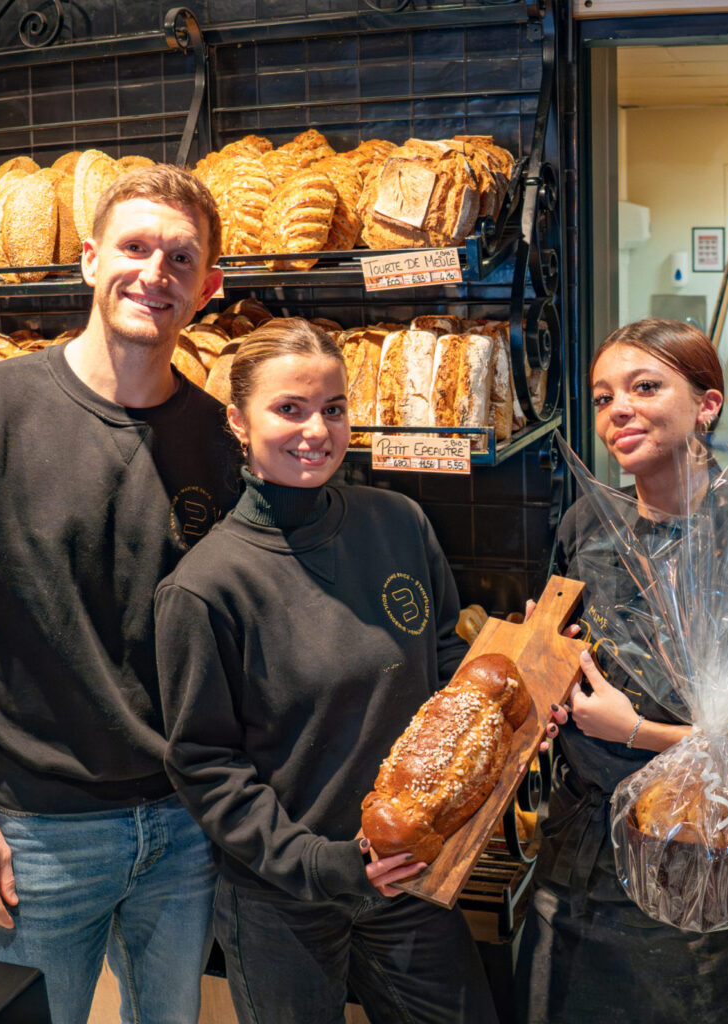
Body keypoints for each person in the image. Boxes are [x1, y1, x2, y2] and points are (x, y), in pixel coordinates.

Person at [0, 165, 239, 1024]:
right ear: (88, 260)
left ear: (209, 288)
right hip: (37, 833)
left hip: (183, 826)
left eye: (181, 258)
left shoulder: (217, 439)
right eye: (136, 247)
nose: (155, 273)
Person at [155, 318, 512, 1024]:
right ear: (237, 420)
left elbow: (443, 664)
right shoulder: (207, 587)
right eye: (289, 409)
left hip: (410, 882)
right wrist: (322, 864)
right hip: (283, 900)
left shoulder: (398, 523)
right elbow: (204, 765)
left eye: (334, 408)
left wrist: (507, 717)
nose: (316, 431)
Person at [516, 317, 728, 1024]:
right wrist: (545, 680)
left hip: (697, 849)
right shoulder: (588, 521)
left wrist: (634, 730)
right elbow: (569, 650)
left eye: (645, 387)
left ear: (707, 404)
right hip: (576, 849)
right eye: (604, 396)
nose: (620, 411)